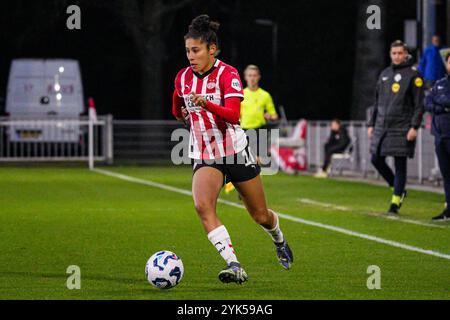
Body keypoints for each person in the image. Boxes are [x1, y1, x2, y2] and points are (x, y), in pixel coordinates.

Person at [172, 15, 293, 284]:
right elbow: (176, 108)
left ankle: (279, 238)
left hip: (235, 151)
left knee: (260, 215)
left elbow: (233, 115)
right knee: (202, 206)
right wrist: (182, 114)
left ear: (211, 49)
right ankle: (234, 264)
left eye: (196, 50)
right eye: (187, 51)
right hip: (204, 154)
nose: (190, 56)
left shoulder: (228, 74)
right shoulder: (182, 78)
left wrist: (206, 104)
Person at [367, 40, 425, 214]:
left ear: (406, 54)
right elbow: (377, 102)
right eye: (394, 53)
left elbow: (419, 105)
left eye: (400, 53)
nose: (397, 56)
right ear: (390, 55)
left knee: (400, 164)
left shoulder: (414, 75)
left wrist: (414, 126)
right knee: (375, 159)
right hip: (382, 126)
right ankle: (398, 188)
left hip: (402, 127)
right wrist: (371, 123)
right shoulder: (384, 74)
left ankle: (395, 202)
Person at [224, 64, 278, 194]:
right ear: (245, 77)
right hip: (243, 130)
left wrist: (270, 116)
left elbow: (274, 115)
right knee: (243, 162)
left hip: (260, 131)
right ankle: (243, 189)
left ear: (258, 77)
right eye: (250, 76)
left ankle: (253, 191)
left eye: (254, 76)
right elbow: (233, 113)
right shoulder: (241, 93)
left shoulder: (265, 95)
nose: (252, 78)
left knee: (257, 160)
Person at [424, 52, 450, 221]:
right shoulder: (440, 83)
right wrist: (442, 106)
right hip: (440, 135)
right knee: (446, 174)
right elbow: (427, 102)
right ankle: (449, 208)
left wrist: (441, 103)